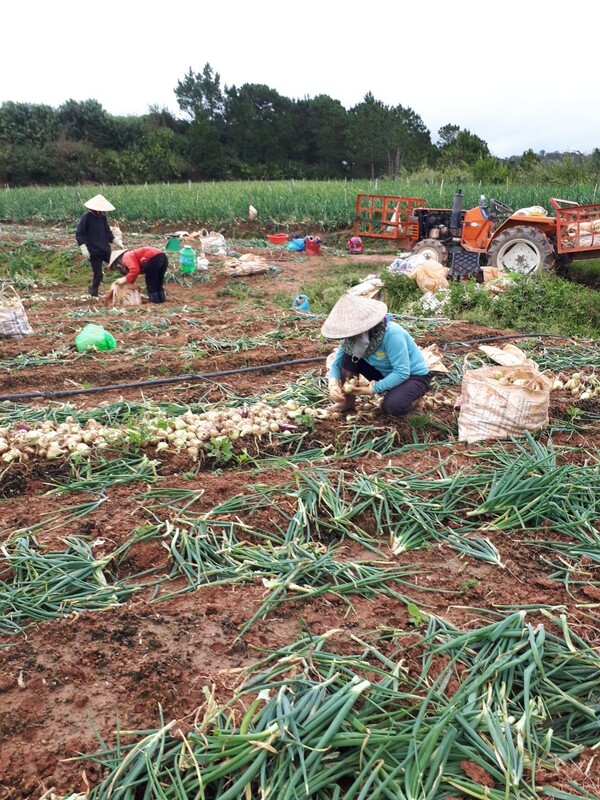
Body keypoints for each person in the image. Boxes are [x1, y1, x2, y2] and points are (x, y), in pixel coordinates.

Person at [322, 294, 431, 415]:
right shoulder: (350, 340)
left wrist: (371, 389)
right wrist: (333, 385)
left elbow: (402, 372)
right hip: (384, 374)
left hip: (413, 377)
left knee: (392, 407)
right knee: (348, 356)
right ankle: (347, 402)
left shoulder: (393, 335)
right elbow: (337, 365)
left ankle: (414, 402)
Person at [75, 194, 118, 297]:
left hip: (105, 249)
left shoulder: (103, 218)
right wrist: (83, 247)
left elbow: (108, 233)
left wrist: (116, 241)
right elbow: (79, 233)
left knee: (118, 264)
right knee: (98, 274)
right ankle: (93, 293)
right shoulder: (86, 217)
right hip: (94, 252)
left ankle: (122, 287)